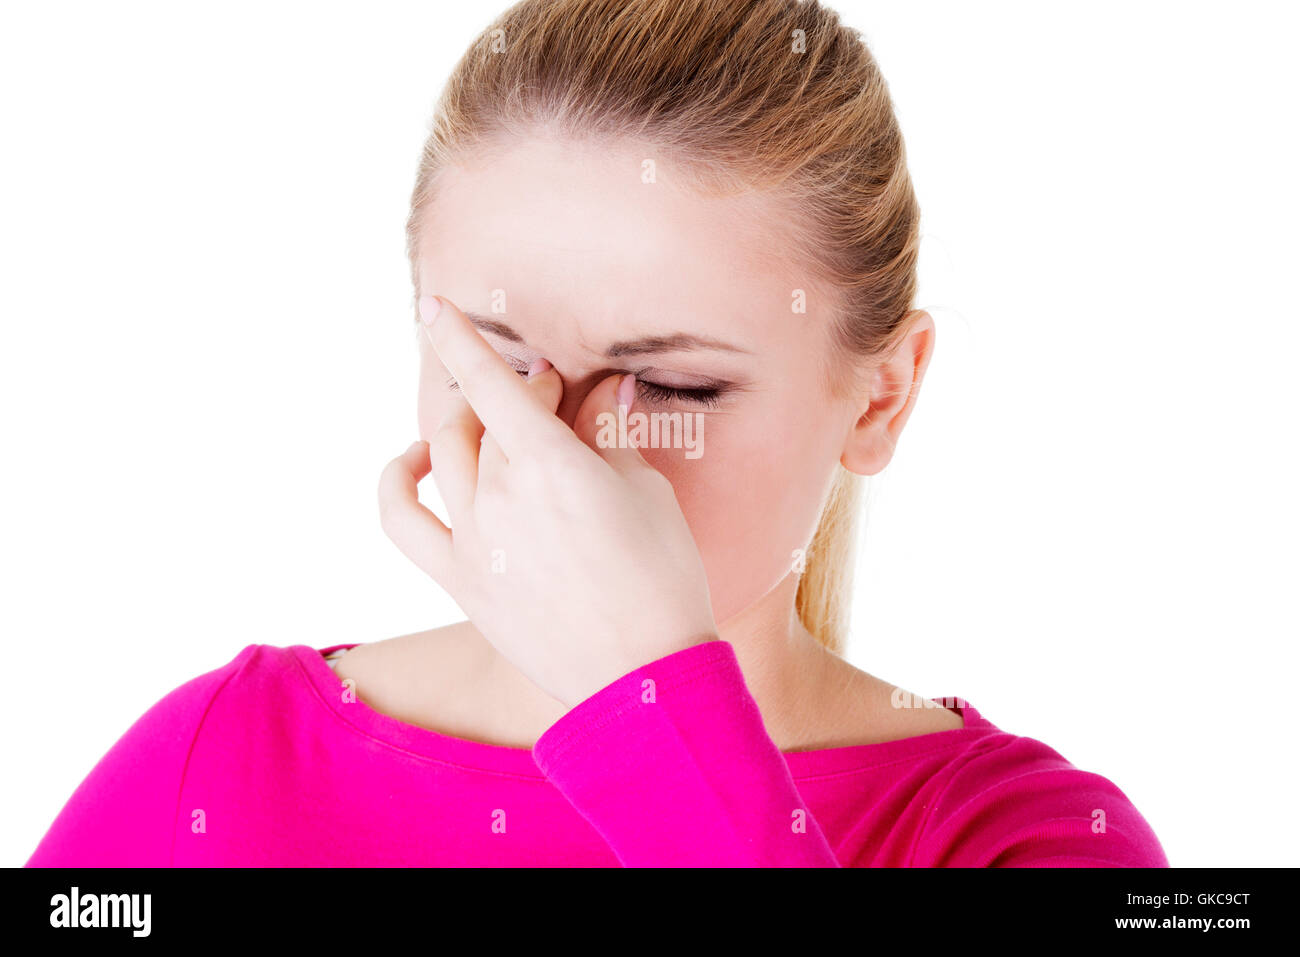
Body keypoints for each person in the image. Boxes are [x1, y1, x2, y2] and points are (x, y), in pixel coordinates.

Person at [26, 0, 1168, 867]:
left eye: (673, 384)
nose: (557, 450)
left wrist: (646, 711)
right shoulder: (223, 760)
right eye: (498, 357)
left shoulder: (1030, 837)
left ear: (880, 398)